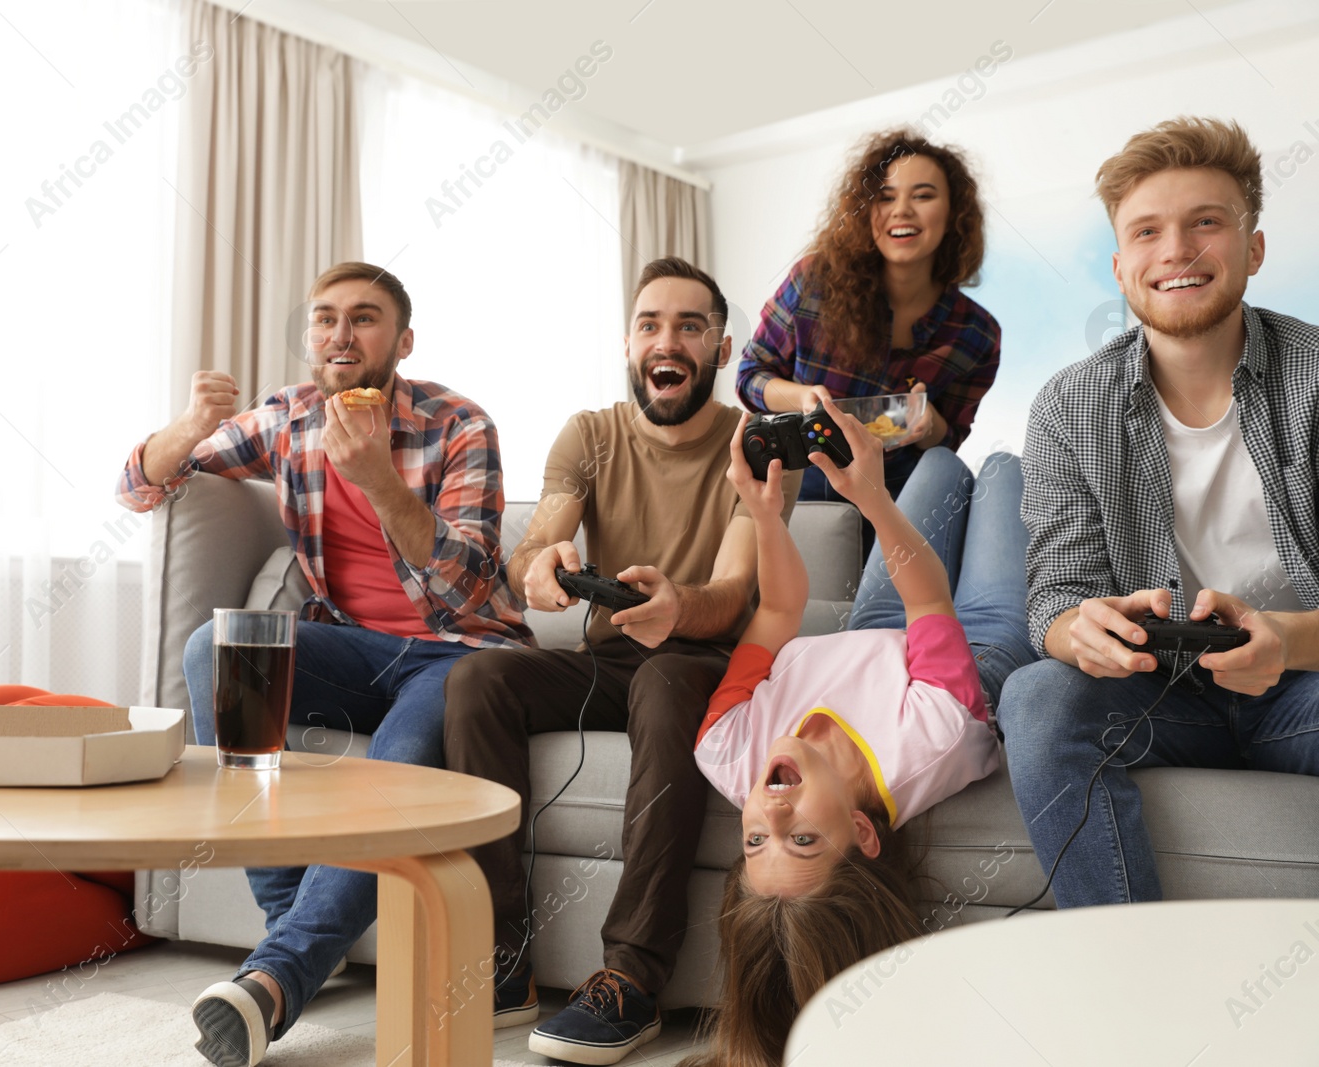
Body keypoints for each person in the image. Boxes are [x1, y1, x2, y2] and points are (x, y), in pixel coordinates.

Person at [114, 261, 532, 1067]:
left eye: (365, 318)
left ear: (402, 341)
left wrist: (377, 479)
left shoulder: (460, 425)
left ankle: (276, 976)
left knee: (399, 760)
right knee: (217, 649)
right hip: (350, 646)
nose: (342, 334)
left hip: (459, 652)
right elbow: (140, 485)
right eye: (326, 318)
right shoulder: (289, 418)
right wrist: (186, 424)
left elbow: (471, 581)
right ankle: (293, 920)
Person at [442, 256, 797, 1064]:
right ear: (629, 343)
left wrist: (678, 606)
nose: (665, 340)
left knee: (669, 677)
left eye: (689, 326)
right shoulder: (590, 434)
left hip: (699, 662)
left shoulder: (754, 444)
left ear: (720, 347)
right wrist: (541, 565)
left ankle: (631, 980)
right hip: (606, 664)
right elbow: (539, 541)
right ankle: (501, 962)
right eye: (649, 324)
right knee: (478, 679)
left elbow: (737, 590)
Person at [1000, 117, 1319, 909]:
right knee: (1035, 696)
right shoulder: (1070, 406)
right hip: (1160, 692)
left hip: (1305, 684)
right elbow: (1052, 599)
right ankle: (1130, 981)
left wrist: (1284, 640)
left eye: (1205, 222)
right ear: (1121, 266)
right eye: (1148, 231)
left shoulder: (1316, 378)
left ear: (1253, 249)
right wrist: (1083, 631)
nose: (1175, 249)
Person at [683, 402, 1033, 1067]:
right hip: (976, 639)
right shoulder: (929, 741)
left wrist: (762, 513)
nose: (773, 809)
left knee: (934, 464)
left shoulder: (725, 747)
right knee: (1004, 472)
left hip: (870, 624)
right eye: (804, 838)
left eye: (756, 838)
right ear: (864, 833)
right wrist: (871, 500)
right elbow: (931, 604)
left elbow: (780, 610)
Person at [735, 129, 1001, 537]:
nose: (902, 210)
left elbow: (950, 440)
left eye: (923, 195)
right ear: (865, 210)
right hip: (804, 494)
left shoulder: (977, 333)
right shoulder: (814, 281)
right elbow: (750, 375)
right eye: (886, 196)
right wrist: (804, 397)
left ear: (954, 213)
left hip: (898, 504)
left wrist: (930, 427)